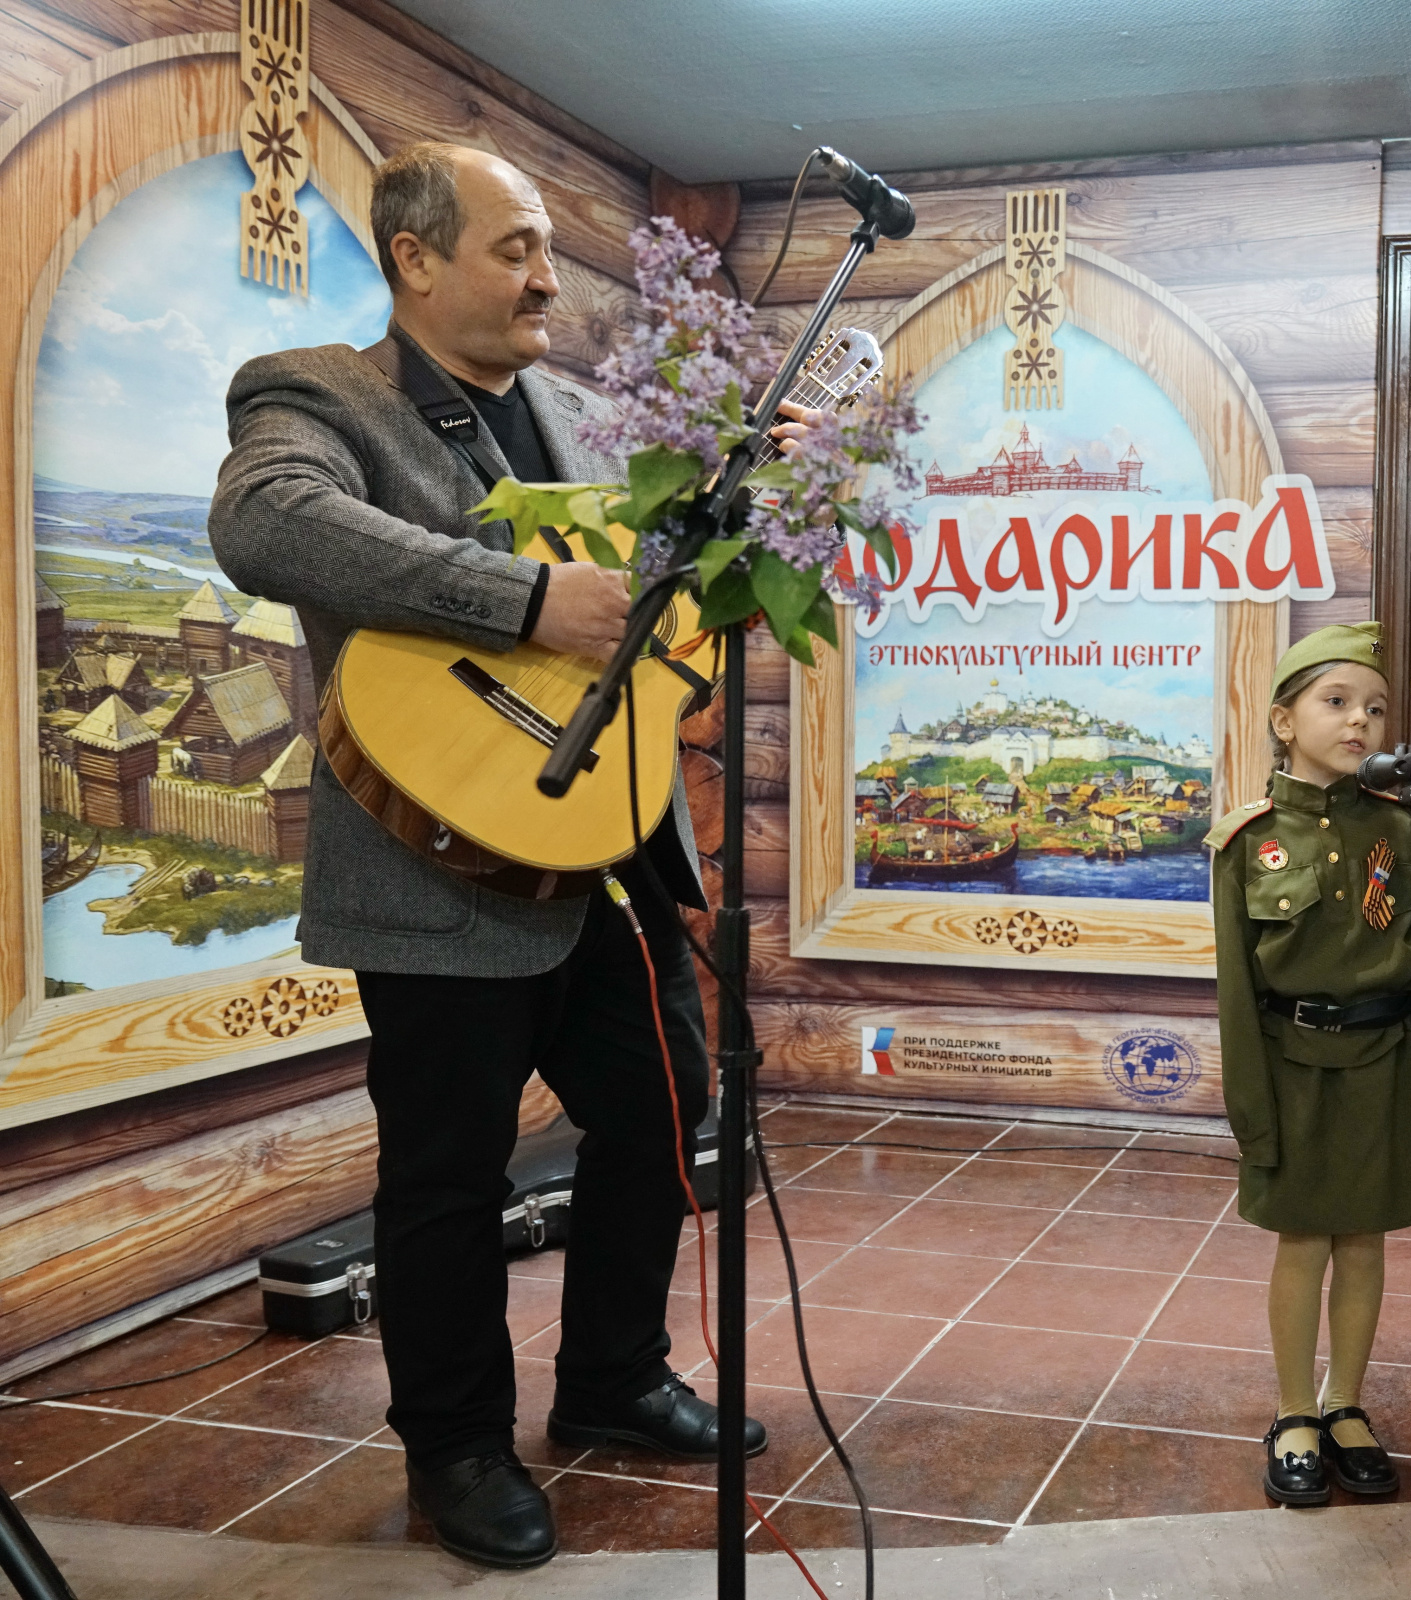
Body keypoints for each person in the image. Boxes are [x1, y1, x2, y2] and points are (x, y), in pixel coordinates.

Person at [210, 143, 782, 1569]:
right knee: (448, 1175)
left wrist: (736, 553)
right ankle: (456, 1445)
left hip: (603, 857)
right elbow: (265, 523)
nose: (544, 280)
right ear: (414, 259)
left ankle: (611, 1378)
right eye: (515, 248)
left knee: (664, 1114)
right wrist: (523, 597)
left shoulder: (581, 418)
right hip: (433, 868)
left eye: (546, 252)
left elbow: (641, 613)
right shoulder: (316, 393)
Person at [1205, 622, 1411, 1506]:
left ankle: (1345, 1403)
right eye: (1337, 701)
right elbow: (1237, 994)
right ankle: (1293, 1412)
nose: (1361, 721)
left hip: (1385, 1061)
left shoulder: (1400, 828)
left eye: (1376, 709)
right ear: (1284, 721)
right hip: (1292, 1067)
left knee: (1364, 1240)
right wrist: (1252, 1115)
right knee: (1304, 1240)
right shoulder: (1246, 842)